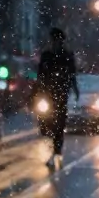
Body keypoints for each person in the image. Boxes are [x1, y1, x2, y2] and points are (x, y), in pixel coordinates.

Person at [38, 28, 80, 169]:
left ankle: (57, 150)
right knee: (47, 122)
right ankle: (55, 146)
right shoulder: (46, 55)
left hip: (60, 93)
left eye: (57, 40)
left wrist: (74, 89)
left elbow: (72, 73)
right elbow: (41, 74)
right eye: (53, 40)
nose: (55, 42)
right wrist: (37, 91)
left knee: (59, 124)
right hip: (48, 93)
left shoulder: (67, 55)